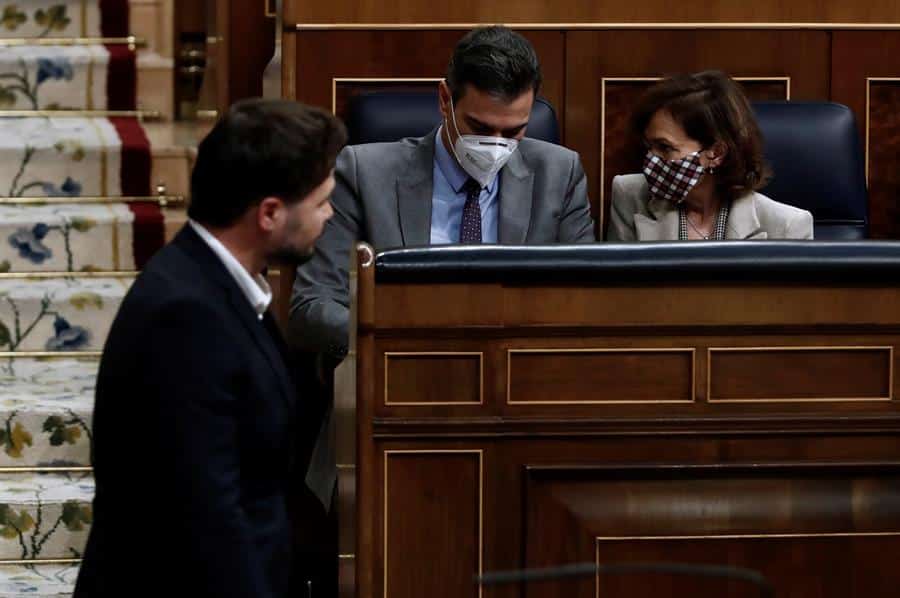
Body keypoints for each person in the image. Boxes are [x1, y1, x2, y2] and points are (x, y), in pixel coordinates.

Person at [73, 99, 347, 598]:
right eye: (322, 202)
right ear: (269, 213)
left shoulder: (220, 287)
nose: (329, 216)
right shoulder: (186, 318)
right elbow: (206, 515)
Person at [290, 25, 595, 363]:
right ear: (444, 100)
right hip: (400, 374)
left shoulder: (559, 173)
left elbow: (582, 303)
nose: (496, 144)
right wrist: (402, 339)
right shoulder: (364, 173)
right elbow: (313, 307)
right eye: (479, 127)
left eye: (513, 131)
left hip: (519, 375)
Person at [607, 71, 813, 242]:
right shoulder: (630, 196)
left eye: (664, 147)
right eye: (649, 146)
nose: (650, 160)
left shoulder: (787, 226)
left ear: (716, 153)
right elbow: (616, 288)